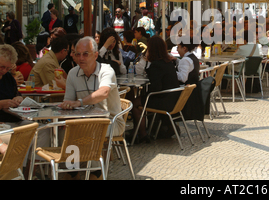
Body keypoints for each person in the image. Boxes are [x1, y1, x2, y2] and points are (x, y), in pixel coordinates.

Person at [60, 37, 124, 179]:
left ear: (95, 55)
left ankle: (93, 173)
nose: (81, 58)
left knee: (85, 131)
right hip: (84, 122)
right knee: (60, 132)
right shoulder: (72, 73)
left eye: (85, 54)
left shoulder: (106, 70)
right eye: (77, 54)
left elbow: (104, 92)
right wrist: (67, 105)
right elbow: (68, 101)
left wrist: (80, 102)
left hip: (112, 122)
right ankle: (73, 171)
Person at [130, 36, 180, 143]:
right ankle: (141, 131)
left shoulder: (156, 65)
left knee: (135, 103)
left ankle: (142, 134)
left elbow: (155, 89)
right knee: (141, 100)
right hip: (173, 99)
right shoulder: (168, 62)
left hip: (164, 101)